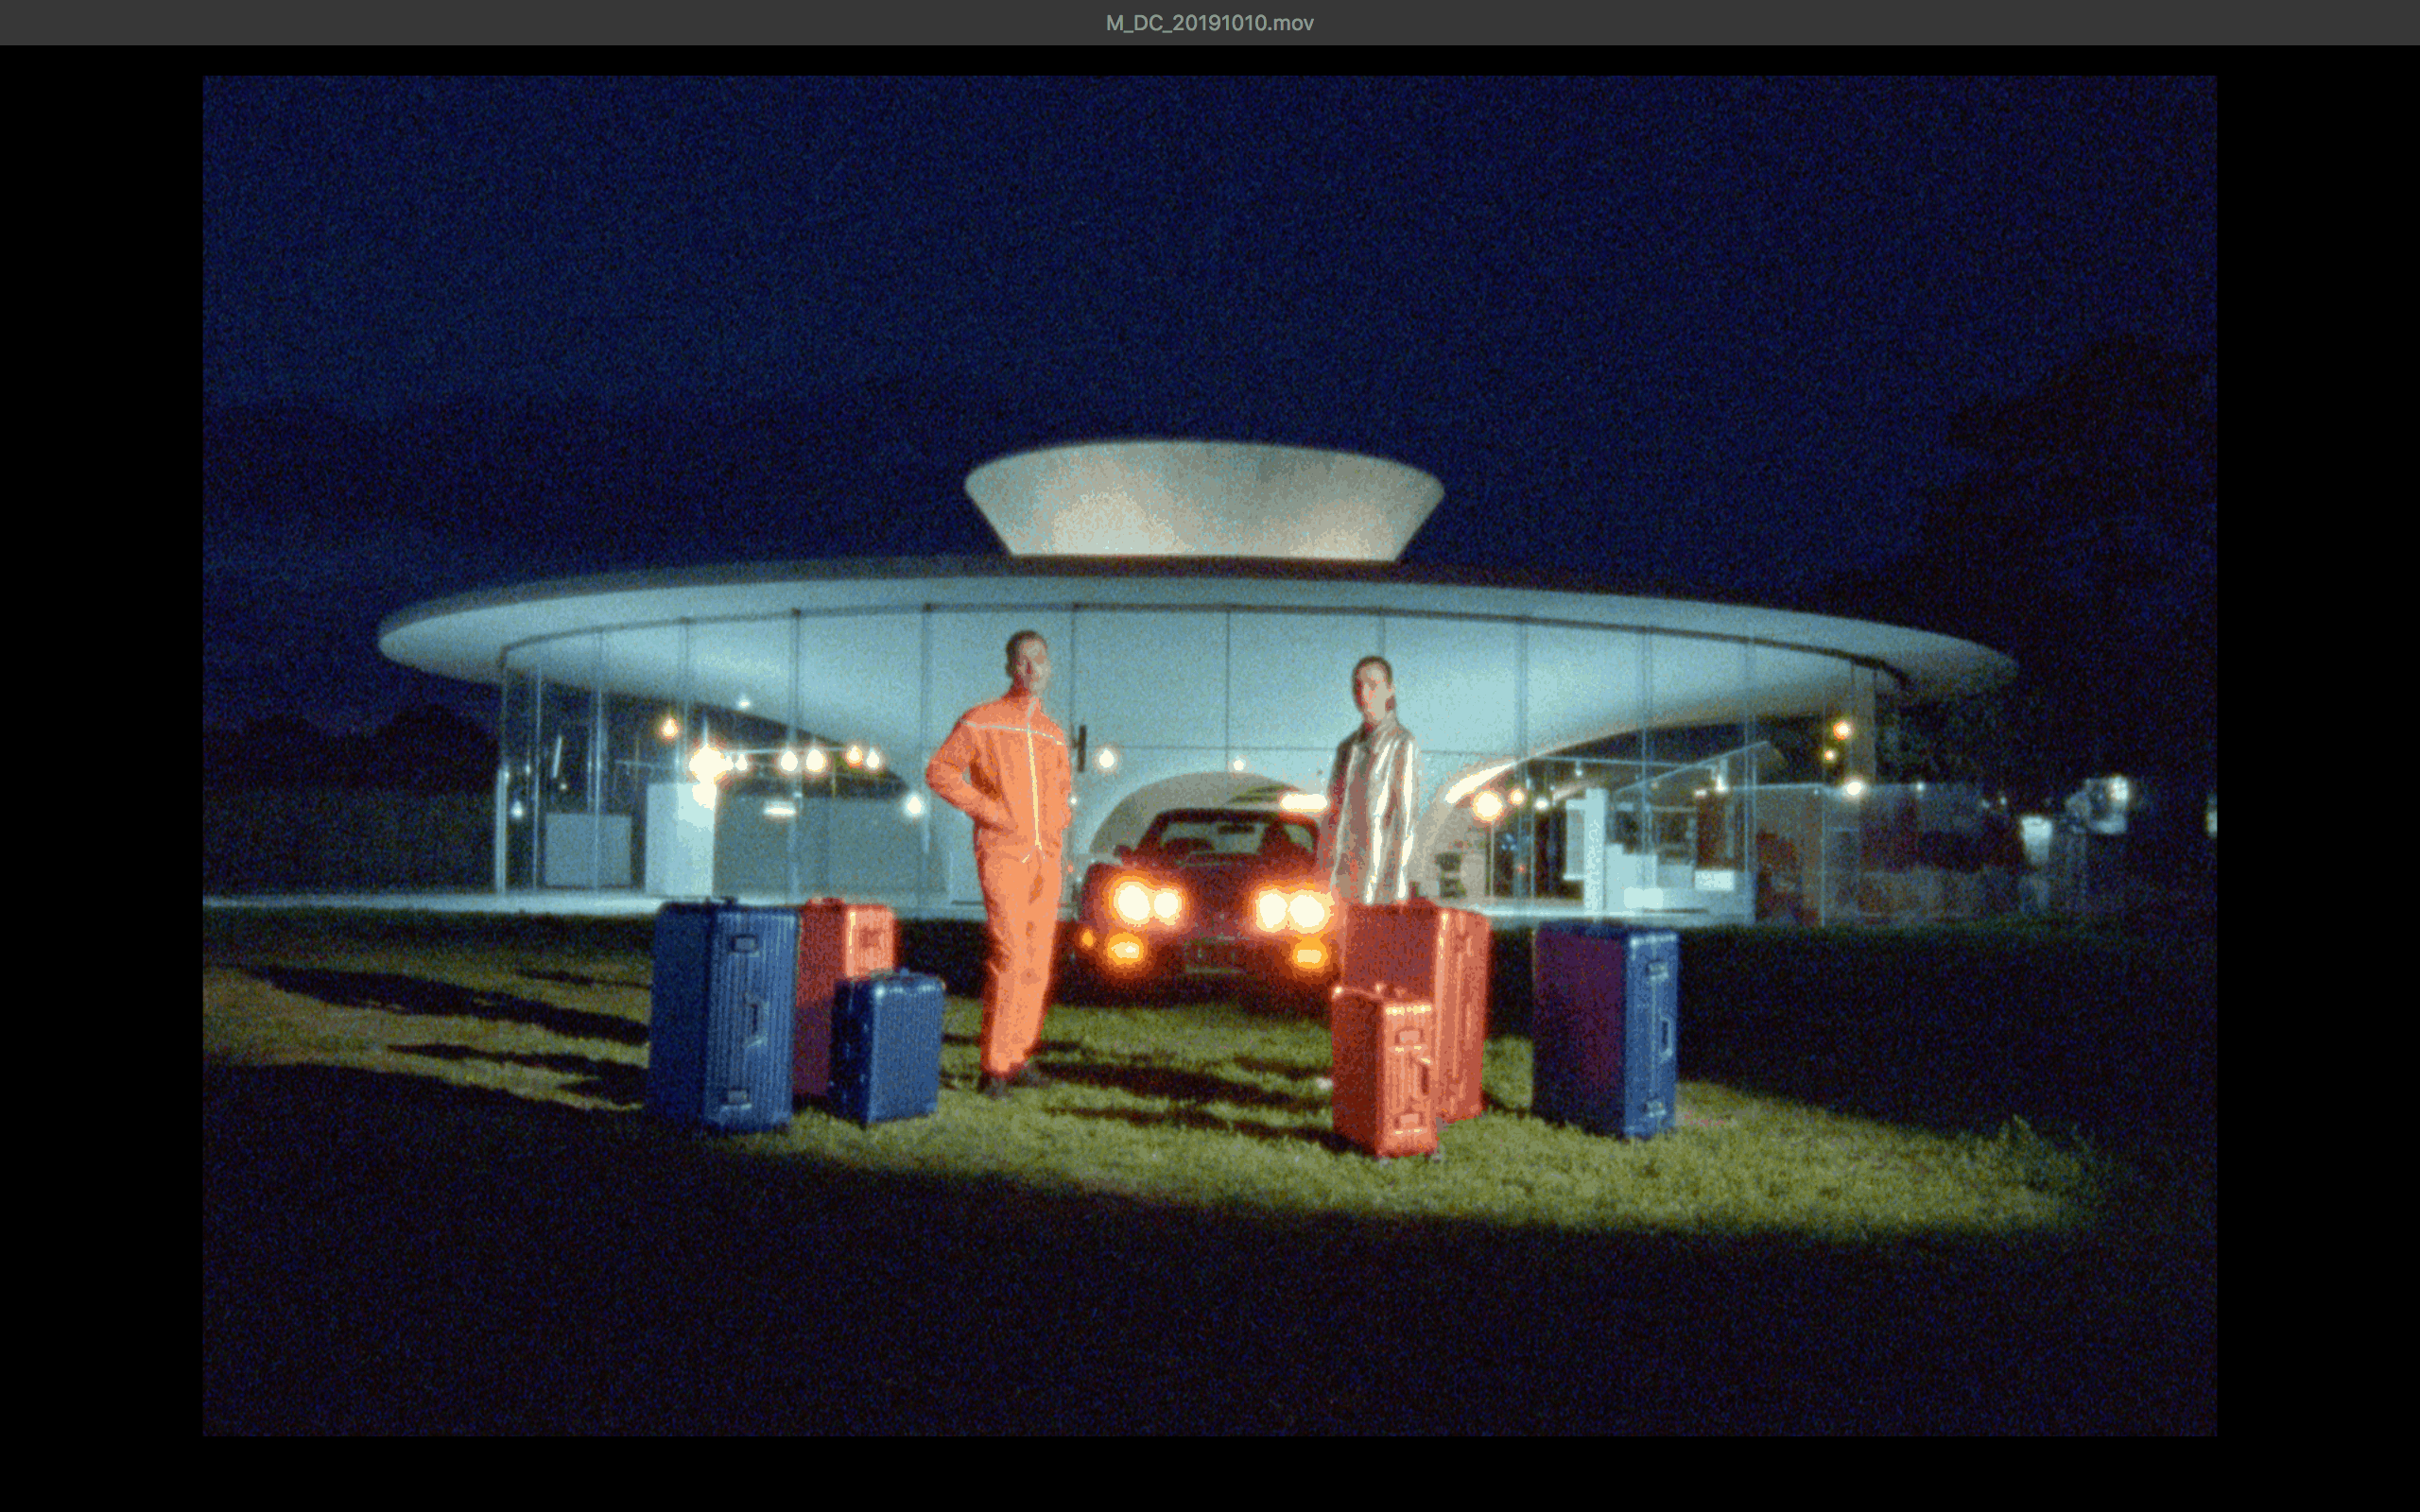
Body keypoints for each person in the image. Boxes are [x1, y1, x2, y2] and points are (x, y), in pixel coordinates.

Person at [925, 630, 1073, 1099]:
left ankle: (1018, 1056)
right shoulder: (982, 720)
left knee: (1038, 959)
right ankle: (993, 1067)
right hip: (1004, 854)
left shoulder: (1052, 733)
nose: (1032, 669)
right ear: (1010, 667)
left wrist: (1057, 825)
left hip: (1045, 858)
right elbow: (940, 771)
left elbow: (1062, 791)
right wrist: (991, 812)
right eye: (1023, 661)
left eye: (1039, 660)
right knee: (1009, 955)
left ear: (1049, 668)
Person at [1317, 655, 1422, 906]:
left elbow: (1404, 821)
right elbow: (1332, 816)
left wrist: (1396, 888)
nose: (1364, 693)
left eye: (1373, 685)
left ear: (1390, 690)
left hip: (1377, 887)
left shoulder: (1401, 744)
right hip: (1338, 882)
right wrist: (1320, 875)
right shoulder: (1346, 748)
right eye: (1358, 686)